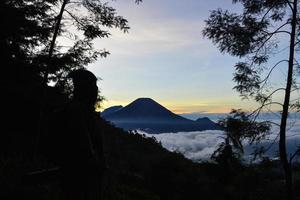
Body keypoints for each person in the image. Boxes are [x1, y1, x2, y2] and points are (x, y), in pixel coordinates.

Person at [58, 69, 104, 200]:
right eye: (93, 85)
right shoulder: (77, 113)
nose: (96, 90)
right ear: (85, 88)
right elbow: (86, 149)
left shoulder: (79, 111)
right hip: (81, 181)